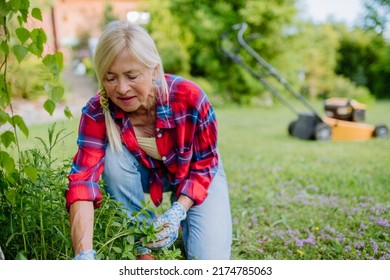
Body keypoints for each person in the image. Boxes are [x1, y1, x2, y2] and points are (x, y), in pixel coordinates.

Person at [65, 20, 232, 260]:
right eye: (110, 78)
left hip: (196, 173)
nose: (122, 89)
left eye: (132, 76)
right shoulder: (97, 111)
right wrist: (84, 254)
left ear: (154, 70)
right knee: (113, 159)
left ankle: (184, 223)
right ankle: (141, 243)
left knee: (210, 261)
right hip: (141, 174)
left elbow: (205, 164)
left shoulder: (190, 98)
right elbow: (82, 182)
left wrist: (178, 211)